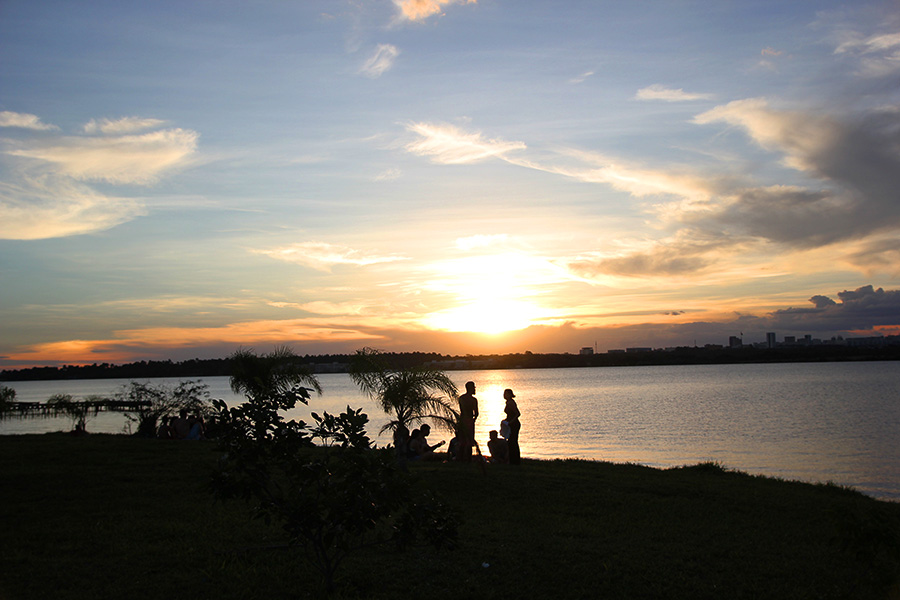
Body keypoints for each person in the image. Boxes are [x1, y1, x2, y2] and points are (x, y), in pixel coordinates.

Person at [457, 381, 478, 462]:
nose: (475, 389)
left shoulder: (461, 398)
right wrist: (473, 420)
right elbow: (476, 413)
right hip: (469, 420)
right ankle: (467, 459)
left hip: (462, 419)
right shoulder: (473, 400)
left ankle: (460, 458)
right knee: (469, 441)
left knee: (462, 440)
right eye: (474, 387)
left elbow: (462, 410)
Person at [504, 388, 521, 465]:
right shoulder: (508, 402)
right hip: (510, 423)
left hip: (514, 424)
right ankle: (512, 460)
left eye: (506, 394)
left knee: (513, 442)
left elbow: (517, 414)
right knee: (511, 442)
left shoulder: (511, 403)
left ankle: (515, 460)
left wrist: (510, 421)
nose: (504, 395)